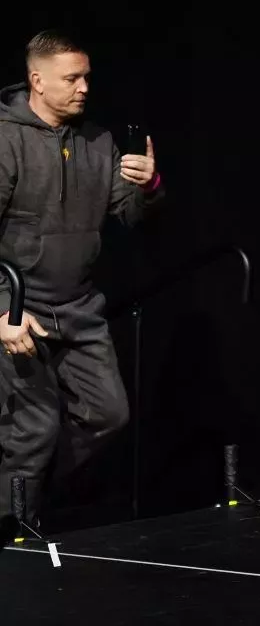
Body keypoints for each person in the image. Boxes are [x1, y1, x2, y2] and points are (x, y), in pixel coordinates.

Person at [0, 30, 163, 535]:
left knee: (107, 415)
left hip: (79, 306)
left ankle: (23, 497)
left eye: (87, 76)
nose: (84, 86)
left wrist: (148, 185)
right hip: (18, 304)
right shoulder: (6, 139)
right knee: (33, 429)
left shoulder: (98, 140)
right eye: (72, 78)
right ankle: (13, 530)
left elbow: (130, 217)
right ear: (37, 80)